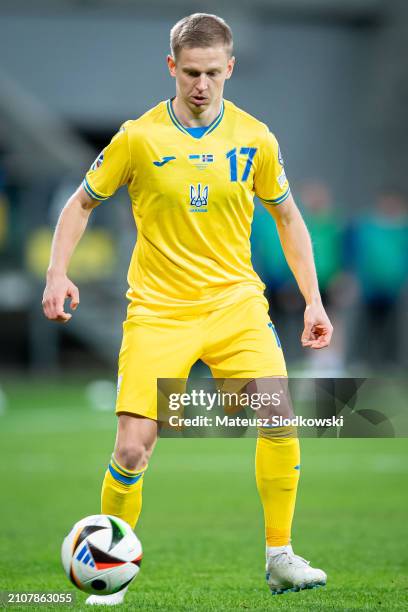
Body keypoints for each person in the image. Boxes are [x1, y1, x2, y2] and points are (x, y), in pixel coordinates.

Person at [42, 13, 333, 605]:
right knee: (131, 447)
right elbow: (80, 204)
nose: (202, 85)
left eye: (213, 73)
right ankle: (109, 570)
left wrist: (312, 300)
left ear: (231, 68)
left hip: (235, 304)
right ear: (172, 67)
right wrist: (57, 271)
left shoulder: (256, 138)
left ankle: (280, 556)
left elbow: (288, 219)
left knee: (279, 414)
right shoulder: (138, 137)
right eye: (191, 72)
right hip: (158, 309)